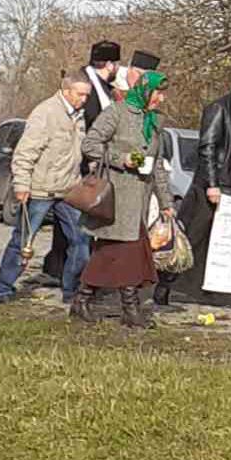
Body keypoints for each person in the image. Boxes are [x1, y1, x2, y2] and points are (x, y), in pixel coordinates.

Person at [162, 58, 231, 308]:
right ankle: (168, 284)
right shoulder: (219, 108)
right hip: (217, 184)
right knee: (197, 235)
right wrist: (212, 183)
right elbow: (208, 148)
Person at [71, 71, 174, 328]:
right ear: (144, 91)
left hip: (139, 201)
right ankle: (118, 306)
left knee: (124, 253)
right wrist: (122, 159)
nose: (161, 99)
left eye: (163, 94)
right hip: (116, 198)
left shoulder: (155, 122)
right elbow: (90, 144)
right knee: (120, 252)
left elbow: (157, 164)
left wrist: (166, 202)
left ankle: (96, 302)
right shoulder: (117, 112)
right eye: (157, 93)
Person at [0, 72, 93, 306]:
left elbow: (79, 150)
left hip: (69, 190)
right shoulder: (45, 113)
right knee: (23, 241)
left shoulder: (78, 116)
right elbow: (25, 152)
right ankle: (2, 289)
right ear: (66, 91)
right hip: (40, 190)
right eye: (80, 94)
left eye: (87, 95)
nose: (84, 99)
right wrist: (21, 184)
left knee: (81, 241)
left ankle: (71, 290)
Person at [43, 40, 125, 282]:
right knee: (72, 221)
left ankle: (62, 267)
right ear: (108, 63)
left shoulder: (102, 87)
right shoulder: (88, 88)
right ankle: (65, 269)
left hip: (86, 159)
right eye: (115, 63)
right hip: (78, 161)